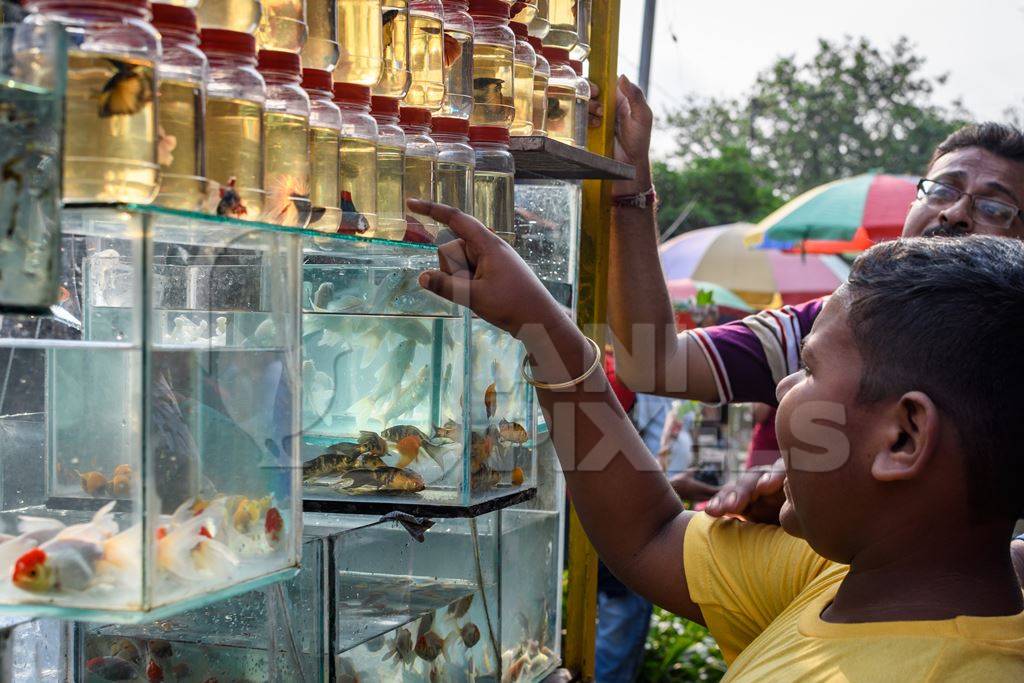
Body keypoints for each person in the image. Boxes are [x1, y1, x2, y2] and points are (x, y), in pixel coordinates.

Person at [410, 197, 1024, 677]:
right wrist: (540, 326)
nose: (783, 391)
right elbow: (649, 535)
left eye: (806, 370)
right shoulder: (854, 573)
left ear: (903, 438)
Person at [597, 76, 1024, 541]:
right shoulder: (833, 325)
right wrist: (630, 187)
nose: (955, 212)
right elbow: (653, 363)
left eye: (994, 207)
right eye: (942, 189)